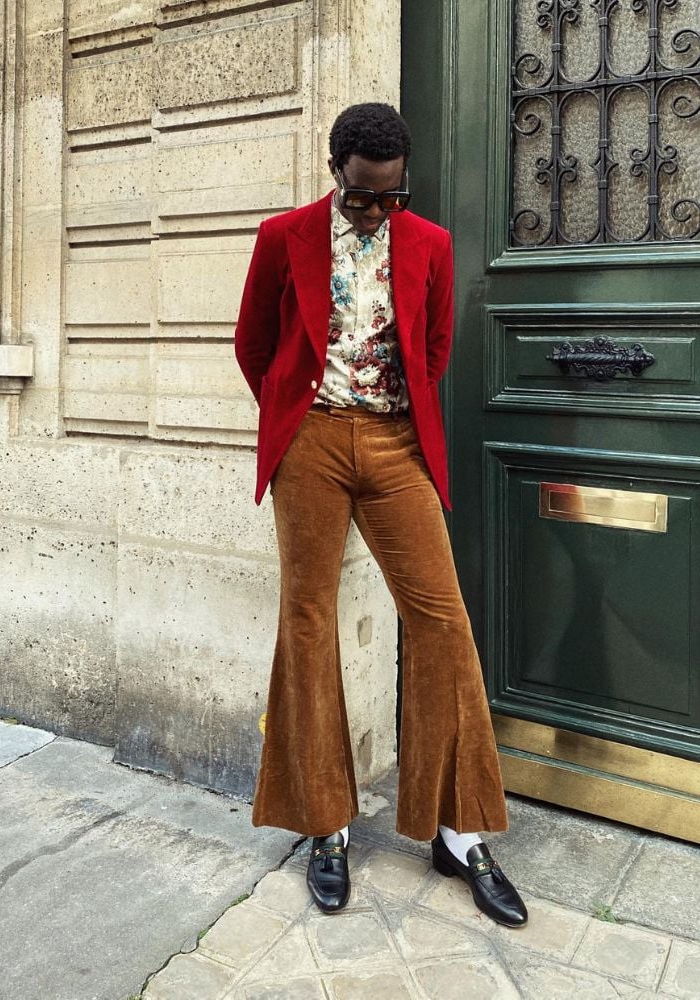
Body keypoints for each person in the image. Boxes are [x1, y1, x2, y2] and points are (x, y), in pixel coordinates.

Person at [234, 103, 527, 926]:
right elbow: (252, 345)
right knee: (307, 618)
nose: (375, 213)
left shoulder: (428, 242)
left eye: (390, 198)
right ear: (337, 175)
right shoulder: (281, 235)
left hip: (398, 446)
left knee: (441, 620)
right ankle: (325, 823)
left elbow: (434, 349)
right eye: (362, 198)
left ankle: (458, 831)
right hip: (312, 444)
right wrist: (296, 420)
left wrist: (389, 414)